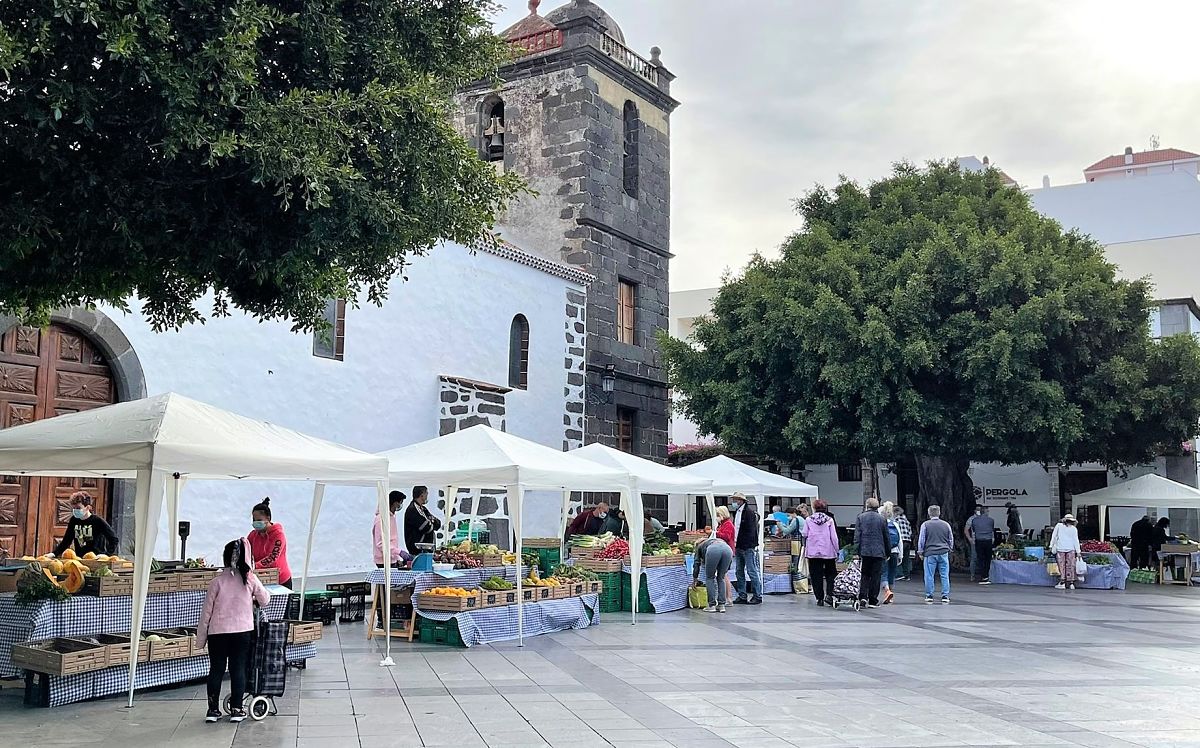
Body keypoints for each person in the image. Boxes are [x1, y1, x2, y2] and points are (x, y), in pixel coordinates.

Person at [197, 538, 270, 723]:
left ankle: (212, 710)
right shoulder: (249, 579)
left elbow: (206, 612)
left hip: (217, 633)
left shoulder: (217, 582)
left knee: (216, 670)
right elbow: (265, 600)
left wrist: (201, 639)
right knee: (238, 669)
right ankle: (237, 709)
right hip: (242, 632)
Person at [53, 491, 118, 557]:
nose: (75, 510)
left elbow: (114, 539)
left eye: (78, 508)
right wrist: (54, 554)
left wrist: (107, 555)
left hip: (96, 559)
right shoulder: (74, 520)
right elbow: (66, 541)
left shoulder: (97, 521)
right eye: (74, 508)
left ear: (87, 507)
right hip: (80, 558)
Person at [853, 497, 891, 609]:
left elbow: (857, 536)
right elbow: (886, 537)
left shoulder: (860, 517)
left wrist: (856, 550)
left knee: (864, 574)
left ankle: (863, 596)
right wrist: (887, 552)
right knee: (876, 576)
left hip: (864, 551)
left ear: (866, 505)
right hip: (879, 551)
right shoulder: (882, 519)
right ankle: (873, 599)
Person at [247, 498, 291, 588]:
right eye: (254, 520)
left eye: (259, 520)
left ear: (268, 518)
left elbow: (272, 557)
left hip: (280, 580)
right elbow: (246, 551)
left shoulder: (278, 534)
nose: (255, 523)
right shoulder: (252, 535)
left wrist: (254, 566)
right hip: (260, 579)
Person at [803, 499, 839, 607]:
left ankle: (819, 598)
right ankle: (829, 594)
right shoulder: (829, 520)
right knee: (831, 574)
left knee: (815, 575)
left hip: (813, 552)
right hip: (828, 551)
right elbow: (834, 537)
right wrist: (836, 550)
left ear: (814, 508)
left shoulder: (809, 520)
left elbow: (804, 533)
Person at [730, 493, 763, 605]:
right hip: (739, 545)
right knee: (739, 571)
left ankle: (757, 595)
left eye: (734, 500)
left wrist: (747, 545)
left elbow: (750, 531)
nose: (733, 502)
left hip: (747, 546)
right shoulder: (738, 513)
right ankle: (742, 595)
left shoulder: (748, 513)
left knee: (751, 570)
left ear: (740, 500)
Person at [918, 505, 953, 604]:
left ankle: (929, 595)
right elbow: (950, 538)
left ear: (929, 513)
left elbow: (922, 539)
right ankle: (945, 595)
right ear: (939, 513)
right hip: (943, 552)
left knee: (929, 575)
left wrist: (920, 552)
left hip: (930, 553)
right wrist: (949, 548)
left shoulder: (925, 525)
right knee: (945, 575)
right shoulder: (946, 525)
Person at [691, 535, 733, 613]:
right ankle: (721, 605)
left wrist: (695, 579)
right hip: (728, 549)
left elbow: (696, 564)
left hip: (713, 550)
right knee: (721, 578)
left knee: (710, 578)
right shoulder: (713, 540)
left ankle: (711, 605)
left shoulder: (699, 546)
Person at [374, 491, 411, 569]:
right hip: (383, 560)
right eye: (400, 502)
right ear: (394, 503)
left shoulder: (391, 517)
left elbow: (392, 540)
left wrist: (397, 558)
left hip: (391, 559)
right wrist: (399, 552)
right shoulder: (380, 519)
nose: (400, 505)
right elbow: (380, 543)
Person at [404, 486, 441, 555]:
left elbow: (438, 524)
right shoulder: (412, 510)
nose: (427, 496)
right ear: (422, 495)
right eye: (426, 494)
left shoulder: (423, 509)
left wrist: (431, 521)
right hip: (418, 551)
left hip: (426, 550)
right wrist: (431, 522)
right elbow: (426, 527)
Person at [1050, 513, 1083, 590]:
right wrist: (1078, 551)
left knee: (1061, 565)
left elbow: (1054, 536)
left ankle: (1062, 582)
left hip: (1060, 548)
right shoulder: (1074, 529)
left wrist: (1051, 546)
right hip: (1071, 549)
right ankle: (1071, 582)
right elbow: (1076, 540)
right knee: (1071, 565)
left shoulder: (1059, 526)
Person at [879, 501, 903, 604]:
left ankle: (887, 591)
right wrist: (900, 555)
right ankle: (891, 594)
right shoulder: (895, 524)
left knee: (884, 573)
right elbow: (900, 540)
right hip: (894, 551)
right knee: (892, 573)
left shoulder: (881, 523)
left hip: (884, 552)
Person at [967, 504, 996, 585]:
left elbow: (973, 530)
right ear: (985, 512)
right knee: (987, 558)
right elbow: (991, 529)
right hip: (988, 540)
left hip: (978, 540)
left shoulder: (974, 520)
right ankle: (986, 575)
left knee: (980, 558)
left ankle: (981, 575)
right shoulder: (991, 520)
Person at [714, 505, 737, 602]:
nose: (717, 517)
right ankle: (727, 597)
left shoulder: (728, 524)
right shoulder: (723, 524)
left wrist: (715, 533)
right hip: (723, 551)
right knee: (723, 574)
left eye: (718, 515)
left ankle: (728, 597)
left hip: (726, 551)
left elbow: (727, 537)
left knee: (724, 575)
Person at [892, 505, 913, 580]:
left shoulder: (896, 521)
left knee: (898, 556)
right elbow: (910, 532)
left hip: (901, 540)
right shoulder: (906, 521)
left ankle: (898, 574)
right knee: (906, 558)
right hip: (908, 540)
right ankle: (906, 574)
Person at [964, 505, 982, 581]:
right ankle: (972, 575)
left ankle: (983, 575)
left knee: (983, 558)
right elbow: (966, 529)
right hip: (975, 541)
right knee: (974, 558)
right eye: (977, 509)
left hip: (983, 540)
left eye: (980, 510)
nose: (978, 511)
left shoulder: (984, 518)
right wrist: (969, 539)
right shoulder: (971, 519)